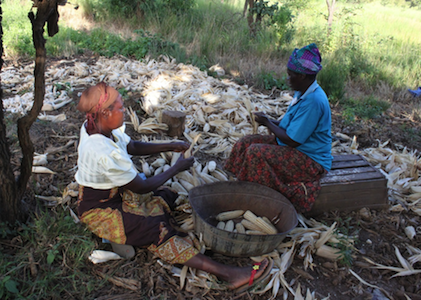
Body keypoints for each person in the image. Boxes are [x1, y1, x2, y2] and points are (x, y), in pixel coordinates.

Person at [75, 82, 270, 291]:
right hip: (100, 209)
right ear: (105, 112)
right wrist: (176, 168)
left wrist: (170, 144)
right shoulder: (103, 151)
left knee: (167, 195)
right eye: (121, 108)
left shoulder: (96, 126)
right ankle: (229, 274)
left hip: (117, 195)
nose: (124, 112)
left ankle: (129, 233)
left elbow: (131, 145)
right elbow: (142, 187)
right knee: (157, 230)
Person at [224, 43, 333, 213]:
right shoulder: (302, 91)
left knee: (256, 153)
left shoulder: (314, 102)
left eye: (291, 76)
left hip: (310, 160)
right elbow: (289, 126)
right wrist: (267, 120)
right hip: (293, 147)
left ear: (303, 76)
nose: (288, 79)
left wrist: (268, 123)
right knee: (244, 143)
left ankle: (261, 199)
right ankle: (239, 185)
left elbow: (293, 140)